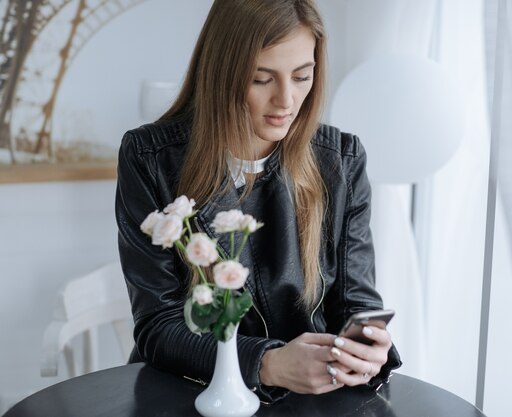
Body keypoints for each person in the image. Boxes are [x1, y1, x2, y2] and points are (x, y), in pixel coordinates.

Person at [115, 0, 401, 404]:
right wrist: (268, 363)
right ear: (222, 74)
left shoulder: (341, 160)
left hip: (313, 398)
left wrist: (369, 350)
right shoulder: (150, 158)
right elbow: (157, 327)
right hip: (189, 394)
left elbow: (357, 305)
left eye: (302, 76)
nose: (286, 100)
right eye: (261, 79)